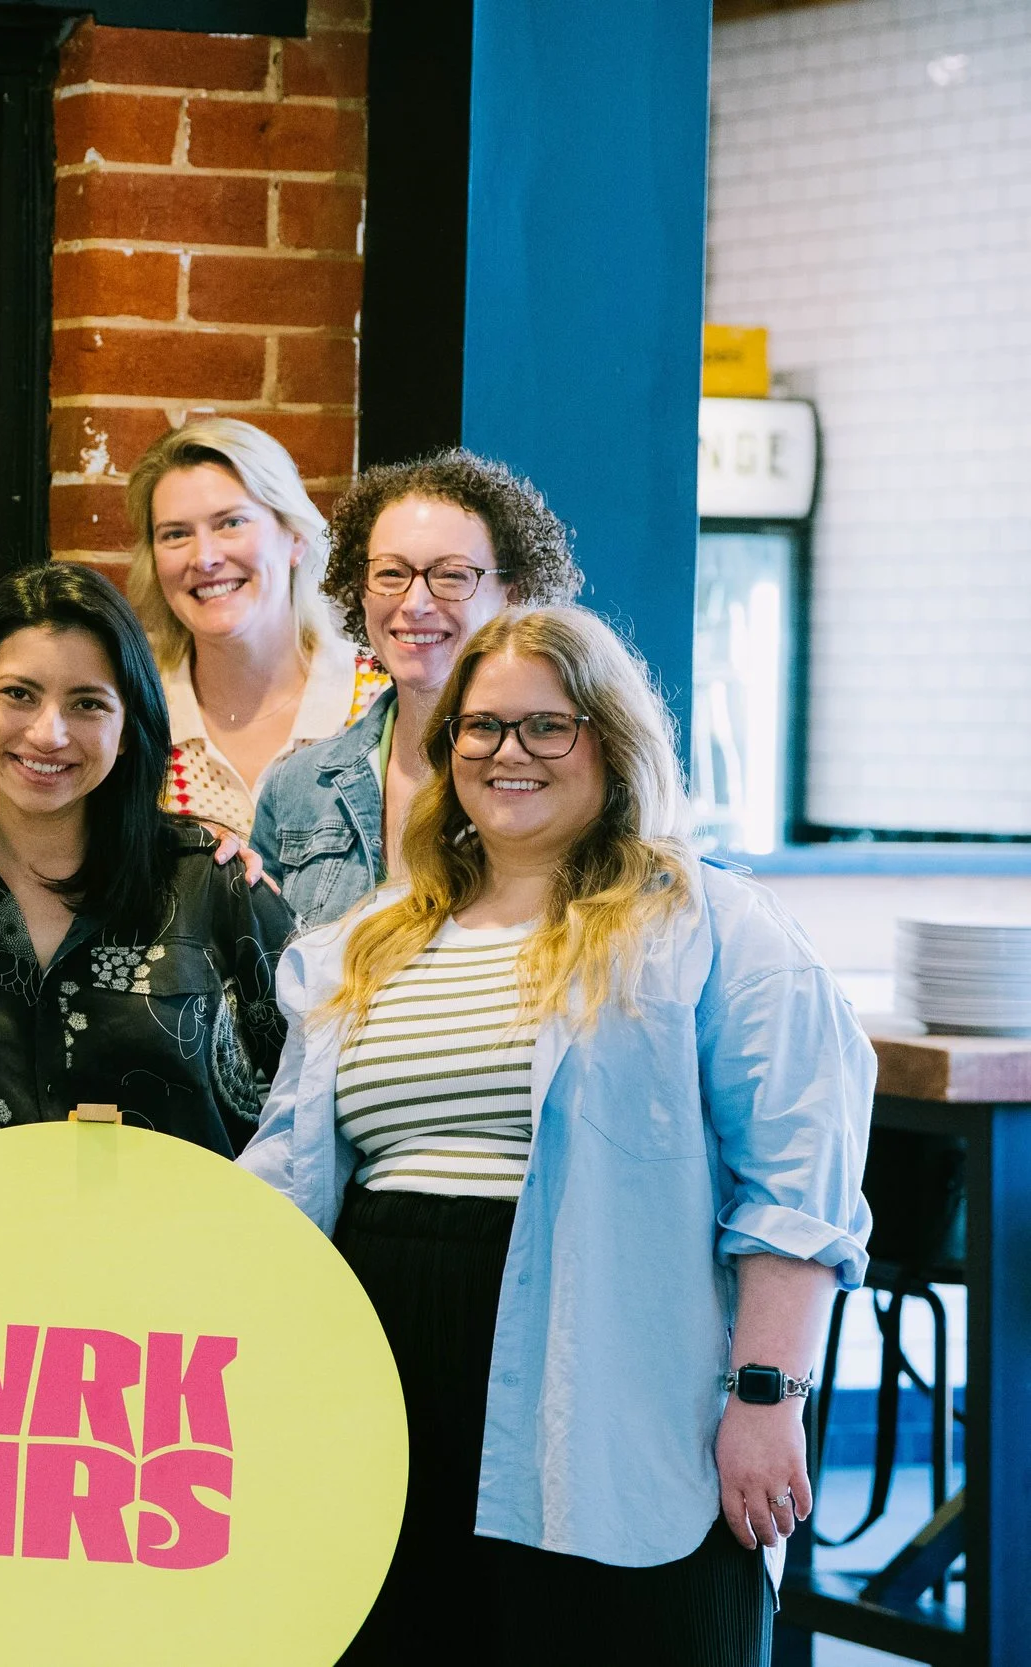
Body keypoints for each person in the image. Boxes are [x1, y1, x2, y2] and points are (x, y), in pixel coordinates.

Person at [239, 606, 873, 1667]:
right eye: (480, 727)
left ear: (610, 741)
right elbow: (280, 1175)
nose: (507, 753)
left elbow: (794, 1184)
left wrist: (767, 1397)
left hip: (614, 1382)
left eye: (547, 725)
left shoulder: (710, 924)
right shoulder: (360, 945)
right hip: (379, 1374)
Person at [0, 562, 292, 1158]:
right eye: (18, 694)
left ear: (128, 728)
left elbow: (312, 1093)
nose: (49, 734)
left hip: (188, 1246)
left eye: (87, 704)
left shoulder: (212, 879)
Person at [249, 450, 583, 928]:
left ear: (513, 592)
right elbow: (264, 981)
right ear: (358, 588)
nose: (415, 603)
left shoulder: (560, 772)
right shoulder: (297, 788)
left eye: (451, 575)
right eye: (390, 573)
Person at [123, 418, 385, 834]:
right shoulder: (133, 717)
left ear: (294, 536)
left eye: (231, 523)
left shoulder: (381, 702)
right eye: (175, 534)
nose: (204, 557)